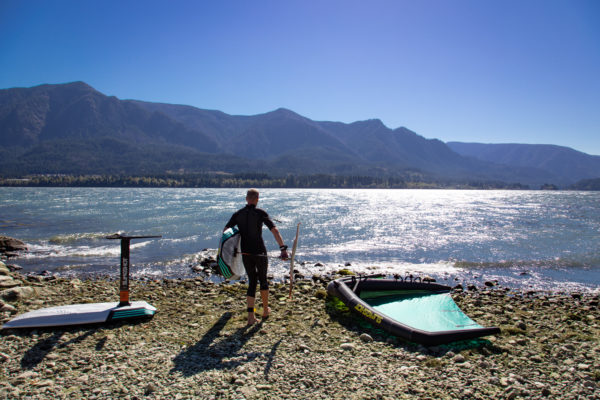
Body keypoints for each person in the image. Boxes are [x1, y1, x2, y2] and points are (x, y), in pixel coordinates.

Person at [224, 189, 289, 325]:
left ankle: (250, 317)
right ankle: (265, 310)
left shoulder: (238, 214)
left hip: (245, 252)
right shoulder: (260, 213)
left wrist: (231, 251)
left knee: (252, 281)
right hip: (259, 251)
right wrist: (282, 248)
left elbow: (226, 232)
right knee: (263, 279)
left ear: (246, 198)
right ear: (257, 199)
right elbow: (275, 230)